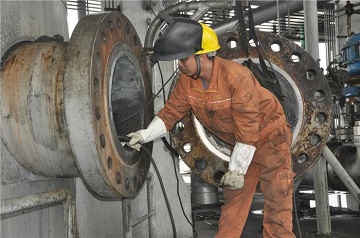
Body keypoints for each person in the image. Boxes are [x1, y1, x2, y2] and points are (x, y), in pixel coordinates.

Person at [127, 17, 296, 238]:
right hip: (242, 146)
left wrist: (237, 169)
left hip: (270, 138)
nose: (179, 64)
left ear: (203, 55)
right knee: (232, 207)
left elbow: (248, 127)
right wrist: (144, 135)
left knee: (277, 202)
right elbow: (170, 114)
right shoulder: (188, 81)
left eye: (183, 59)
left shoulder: (236, 77)